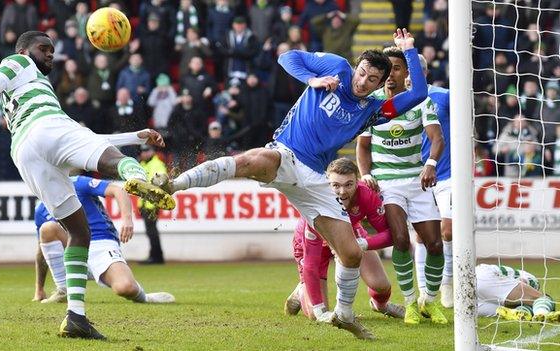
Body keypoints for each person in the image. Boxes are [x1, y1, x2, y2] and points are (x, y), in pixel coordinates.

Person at [153, 29, 428, 339]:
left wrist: (409, 51)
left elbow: (418, 94)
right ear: (356, 66)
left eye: (372, 79)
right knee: (250, 160)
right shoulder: (336, 68)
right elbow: (287, 57)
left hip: (316, 180)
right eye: (362, 72)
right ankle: (172, 184)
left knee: (350, 254)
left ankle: (346, 315)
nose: (362, 81)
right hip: (285, 155)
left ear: (379, 85)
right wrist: (312, 80)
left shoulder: (372, 111)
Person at [0, 31, 174, 340]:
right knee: (111, 161)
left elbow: (87, 138)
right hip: (46, 128)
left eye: (53, 50)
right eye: (44, 48)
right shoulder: (19, 62)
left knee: (78, 232)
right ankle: (138, 176)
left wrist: (136, 137)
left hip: (25, 153)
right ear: (25, 49)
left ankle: (75, 317)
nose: (50, 54)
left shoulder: (33, 89)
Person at [356, 46, 446, 325]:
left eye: (397, 68)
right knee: (401, 239)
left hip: (417, 179)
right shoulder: (372, 104)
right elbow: (363, 146)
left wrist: (430, 164)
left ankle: (429, 301)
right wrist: (366, 173)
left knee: (434, 243)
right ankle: (409, 303)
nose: (391, 74)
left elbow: (437, 138)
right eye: (388, 69)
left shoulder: (420, 102)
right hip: (387, 183)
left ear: (408, 73)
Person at [284, 158, 403, 320]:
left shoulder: (366, 194)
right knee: (315, 314)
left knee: (381, 286)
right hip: (313, 244)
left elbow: (391, 235)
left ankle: (380, 305)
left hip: (350, 234)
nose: (342, 191)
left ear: (357, 181)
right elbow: (311, 265)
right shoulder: (314, 206)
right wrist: (320, 311)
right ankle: (301, 290)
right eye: (336, 185)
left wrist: (362, 243)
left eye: (348, 184)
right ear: (327, 183)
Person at [33, 175, 175, 305]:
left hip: (100, 242)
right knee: (47, 229)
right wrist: (39, 288)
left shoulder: (77, 183)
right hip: (73, 249)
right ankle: (63, 290)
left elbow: (118, 191)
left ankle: (146, 298)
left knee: (126, 288)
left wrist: (127, 219)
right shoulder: (41, 209)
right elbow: (43, 249)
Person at [413, 55, 454, 309]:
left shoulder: (444, 96)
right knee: (421, 235)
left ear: (425, 73)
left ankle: (448, 284)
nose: (408, 76)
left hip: (447, 173)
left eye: (414, 72)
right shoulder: (399, 103)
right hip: (417, 177)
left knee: (448, 230)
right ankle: (424, 292)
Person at [476, 264, 558, 322]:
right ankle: (541, 313)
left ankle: (527, 312)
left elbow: (523, 281)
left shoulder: (525, 278)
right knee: (540, 298)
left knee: (515, 306)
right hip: (481, 279)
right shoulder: (482, 272)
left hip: (475, 286)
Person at [137, 144, 168, 264]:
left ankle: (156, 257)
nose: (144, 153)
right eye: (142, 151)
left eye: (146, 150)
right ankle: (155, 255)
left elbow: (161, 183)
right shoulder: (143, 164)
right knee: (150, 231)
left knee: (152, 231)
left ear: (152, 151)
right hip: (145, 203)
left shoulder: (157, 164)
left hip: (152, 203)